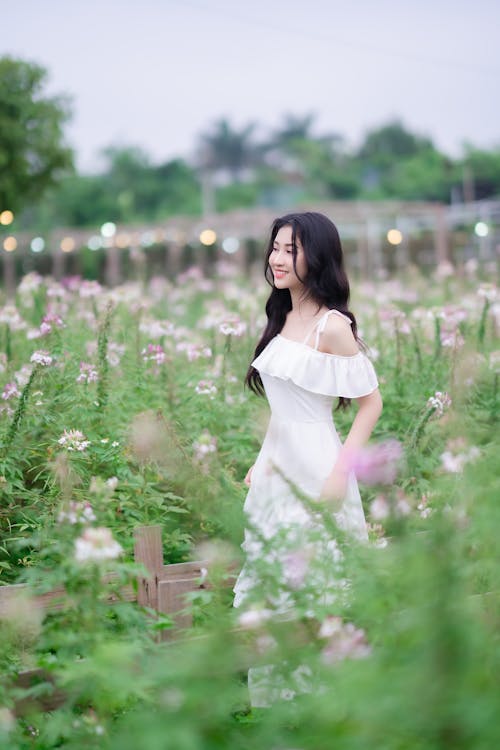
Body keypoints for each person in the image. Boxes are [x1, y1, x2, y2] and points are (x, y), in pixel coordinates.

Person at [233, 211, 383, 612]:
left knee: (316, 581)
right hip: (276, 464)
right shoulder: (281, 316)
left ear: (317, 258)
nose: (277, 259)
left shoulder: (331, 326)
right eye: (276, 249)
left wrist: (341, 472)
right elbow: (284, 408)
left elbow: (372, 403)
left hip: (319, 466)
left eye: (291, 251)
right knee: (271, 579)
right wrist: (261, 458)